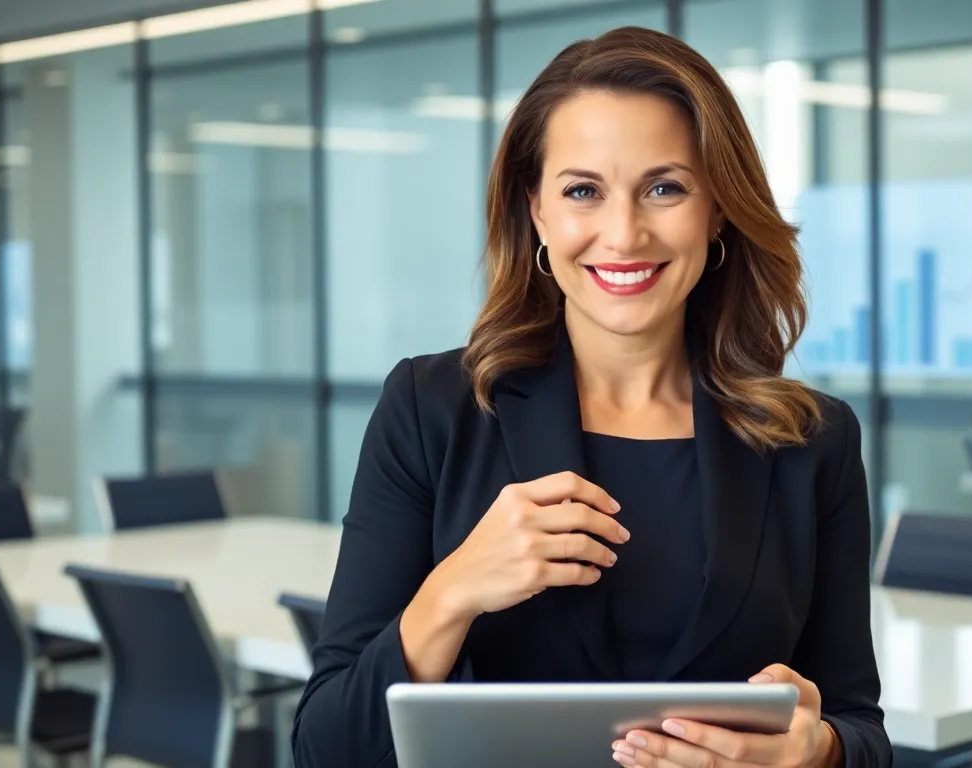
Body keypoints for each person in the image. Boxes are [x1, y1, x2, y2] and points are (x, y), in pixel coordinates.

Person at [293, 26, 890, 768]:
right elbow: (325, 747)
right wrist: (452, 592)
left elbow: (858, 724)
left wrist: (820, 750)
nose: (624, 232)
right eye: (583, 191)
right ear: (536, 211)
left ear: (719, 210)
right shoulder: (433, 409)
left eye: (664, 188)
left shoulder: (812, 440)